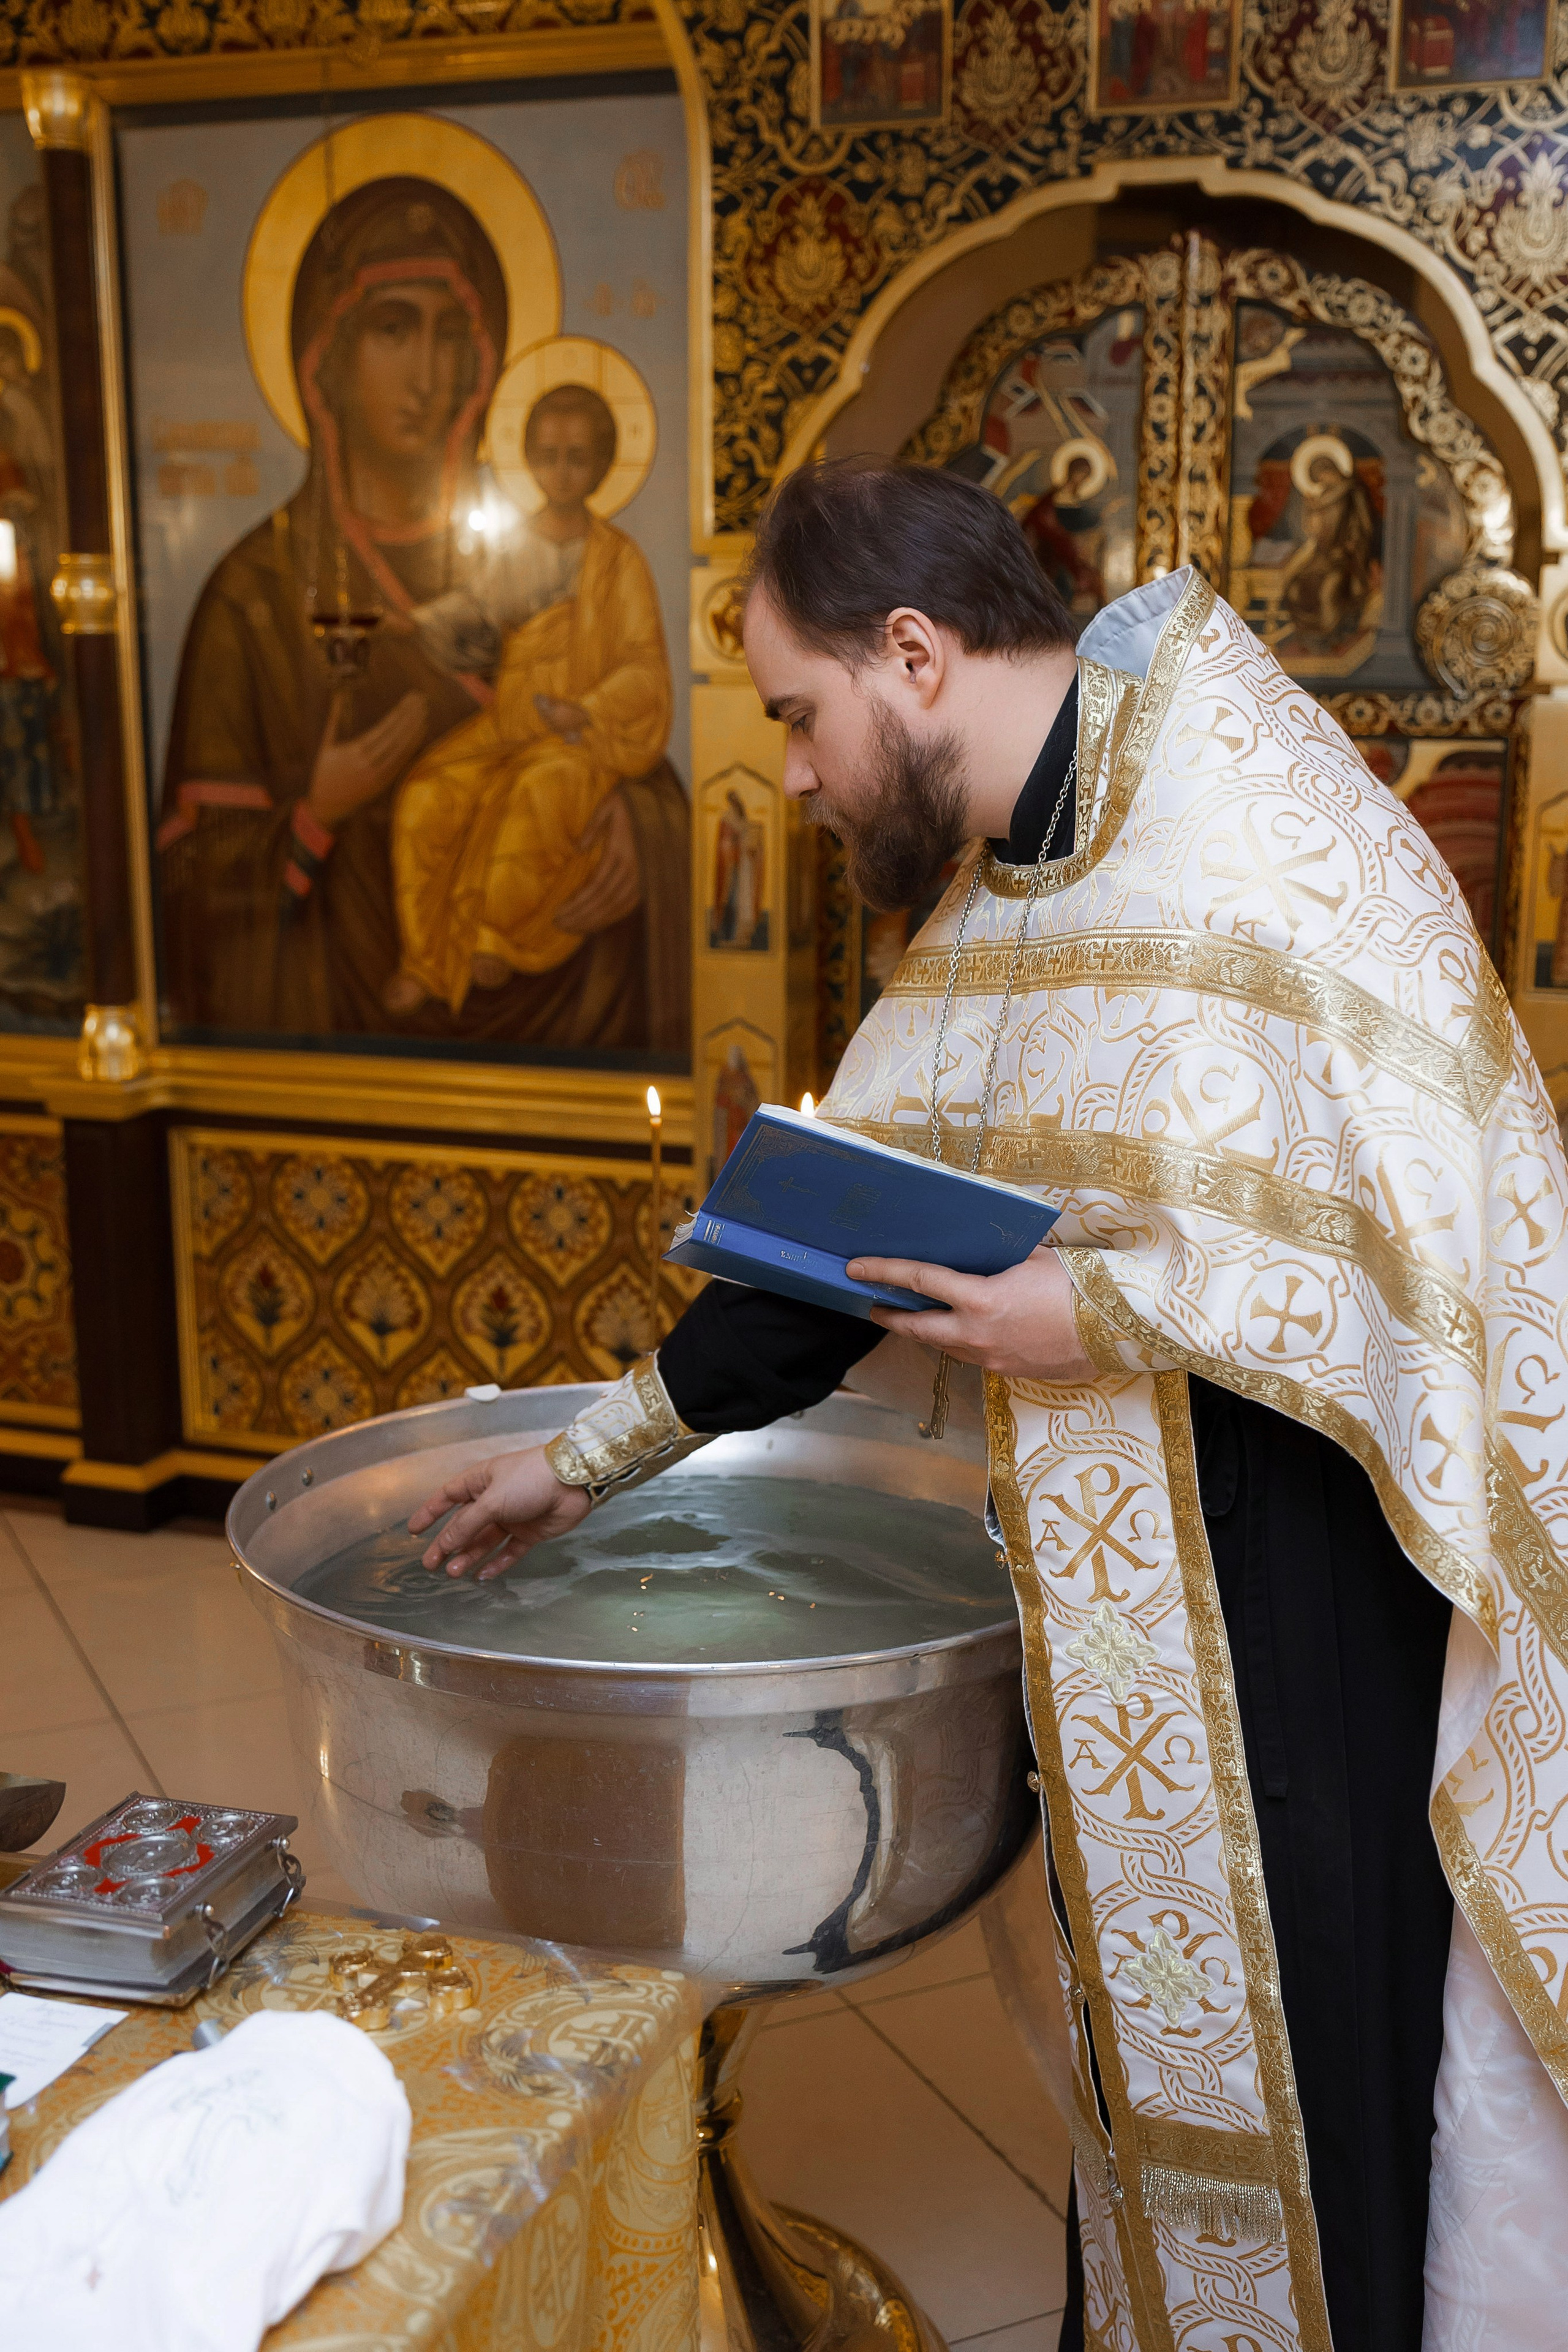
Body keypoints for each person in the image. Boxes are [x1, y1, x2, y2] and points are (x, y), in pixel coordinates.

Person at [405, 458, 1568, 2350]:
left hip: (1302, 1614)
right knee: (1142, 2092)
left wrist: (1091, 1306)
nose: (793, 774)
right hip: (1128, 1624)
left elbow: (1431, 1255)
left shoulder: (1257, 831)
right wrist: (580, 1463)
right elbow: (837, 1250)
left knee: (1311, 2097)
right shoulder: (1031, 867)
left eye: (800, 713)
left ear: (914, 654)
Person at [156, 179, 688, 1052]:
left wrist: (638, 821)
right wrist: (315, 813)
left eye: (450, 335)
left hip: (566, 1021)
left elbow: (621, 703)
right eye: (393, 329)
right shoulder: (252, 596)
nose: (428, 376)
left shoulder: (553, 559)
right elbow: (189, 888)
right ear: (325, 357)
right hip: (325, 1040)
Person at [385, 383, 673, 1015]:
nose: (561, 472)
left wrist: (588, 708)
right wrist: (419, 622)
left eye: (577, 458)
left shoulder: (618, 561)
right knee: (426, 795)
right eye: (548, 457)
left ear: (602, 464)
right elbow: (478, 611)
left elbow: (642, 664)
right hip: (511, 723)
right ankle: (425, 961)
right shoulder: (515, 546)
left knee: (535, 793)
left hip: (580, 735)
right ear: (530, 460)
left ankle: (495, 937)